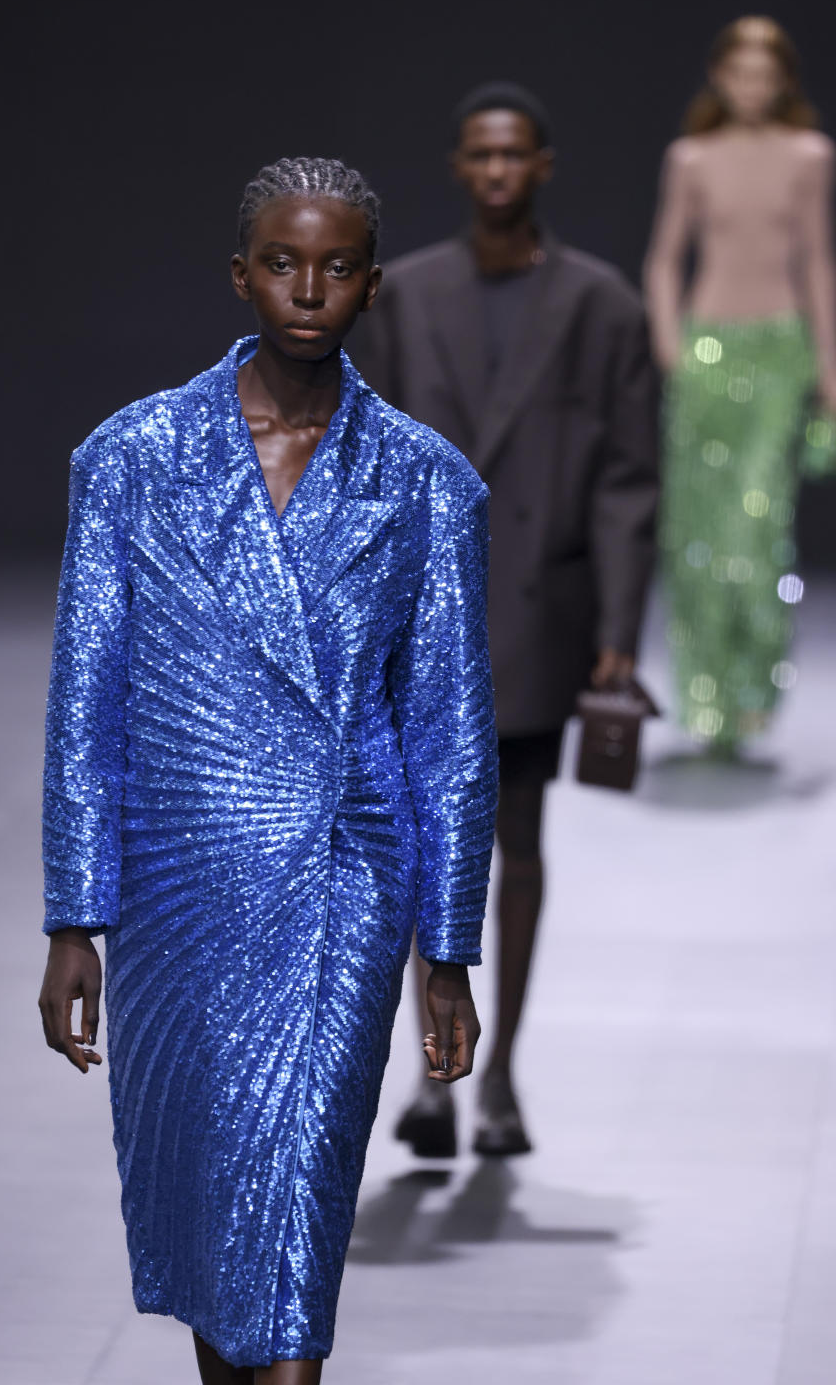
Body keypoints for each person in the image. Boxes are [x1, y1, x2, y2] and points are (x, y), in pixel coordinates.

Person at [37, 157, 498, 1383]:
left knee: (298, 1221)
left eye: (337, 266)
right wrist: (76, 917)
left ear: (373, 286)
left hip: (346, 880)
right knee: (212, 1220)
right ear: (240, 274)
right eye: (284, 263)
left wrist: (445, 950)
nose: (309, 289)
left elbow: (449, 729)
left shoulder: (425, 482)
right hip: (182, 892)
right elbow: (85, 697)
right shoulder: (133, 456)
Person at [353, 83, 658, 1157]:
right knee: (417, 854)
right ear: (456, 166)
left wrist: (620, 624)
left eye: (513, 155)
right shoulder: (404, 299)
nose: (495, 172)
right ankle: (433, 1078)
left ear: (543, 166)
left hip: (538, 612)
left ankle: (500, 1078)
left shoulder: (603, 306)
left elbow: (630, 478)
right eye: (479, 154)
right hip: (418, 620)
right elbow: (363, 463)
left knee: (515, 849)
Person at [644, 16, 836, 750]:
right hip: (705, 354)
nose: (752, 88)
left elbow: (819, 260)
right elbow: (665, 256)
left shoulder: (809, 154)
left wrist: (832, 366)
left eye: (766, 76)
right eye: (740, 74)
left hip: (778, 357)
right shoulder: (691, 158)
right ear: (719, 77)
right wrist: (672, 344)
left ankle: (755, 679)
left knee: (756, 527)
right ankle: (705, 692)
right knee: (697, 534)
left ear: (783, 81)